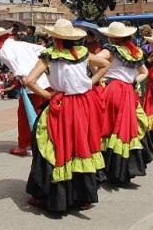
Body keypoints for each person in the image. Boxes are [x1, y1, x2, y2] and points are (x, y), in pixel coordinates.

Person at [24, 19, 109, 212]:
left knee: (54, 146)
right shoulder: (83, 53)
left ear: (55, 38)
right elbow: (104, 64)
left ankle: (55, 195)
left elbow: (30, 81)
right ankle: (83, 196)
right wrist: (90, 82)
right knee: (81, 146)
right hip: (84, 104)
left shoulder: (48, 57)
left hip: (62, 106)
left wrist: (46, 94)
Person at [96, 22, 153, 184]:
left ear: (112, 36)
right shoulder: (135, 52)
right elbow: (144, 73)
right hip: (129, 91)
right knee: (127, 127)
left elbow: (93, 61)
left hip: (113, 90)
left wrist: (99, 76)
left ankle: (107, 167)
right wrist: (134, 81)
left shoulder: (110, 50)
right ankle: (123, 169)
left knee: (107, 126)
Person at [0, 26, 51, 156]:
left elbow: (16, 68)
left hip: (30, 84)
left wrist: (24, 77)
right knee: (46, 112)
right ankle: (47, 139)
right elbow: (43, 49)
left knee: (25, 115)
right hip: (45, 80)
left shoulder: (4, 50)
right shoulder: (22, 44)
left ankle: (23, 145)